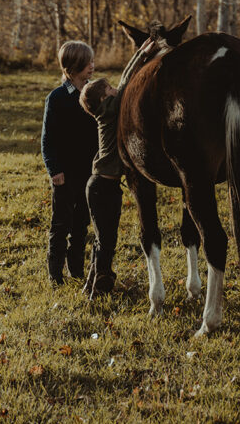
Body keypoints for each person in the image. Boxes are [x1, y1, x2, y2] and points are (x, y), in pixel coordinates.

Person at [78, 37, 157, 299]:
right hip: (103, 187)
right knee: (107, 240)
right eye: (109, 89)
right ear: (104, 98)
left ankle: (93, 282)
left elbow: (120, 84)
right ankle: (100, 284)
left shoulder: (104, 109)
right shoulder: (109, 110)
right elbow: (126, 82)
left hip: (101, 186)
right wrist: (141, 54)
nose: (115, 90)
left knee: (103, 238)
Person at [41, 40, 98, 285]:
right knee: (61, 224)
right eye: (88, 63)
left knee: (81, 225)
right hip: (64, 174)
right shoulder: (57, 98)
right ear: (73, 67)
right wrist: (54, 170)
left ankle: (76, 270)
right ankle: (55, 274)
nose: (92, 67)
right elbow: (47, 139)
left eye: (92, 62)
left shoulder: (94, 95)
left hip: (89, 172)